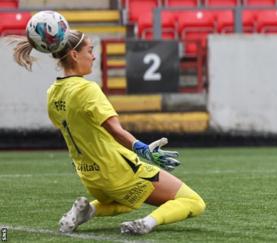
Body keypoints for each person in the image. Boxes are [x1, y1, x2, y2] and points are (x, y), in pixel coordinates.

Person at [9, 30, 205, 234]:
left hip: (91, 177)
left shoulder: (53, 93)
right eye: (90, 50)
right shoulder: (87, 89)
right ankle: (147, 223)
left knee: (130, 201)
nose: (93, 56)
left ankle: (88, 210)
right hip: (118, 170)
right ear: (75, 55)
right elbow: (114, 129)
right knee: (194, 201)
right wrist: (144, 149)